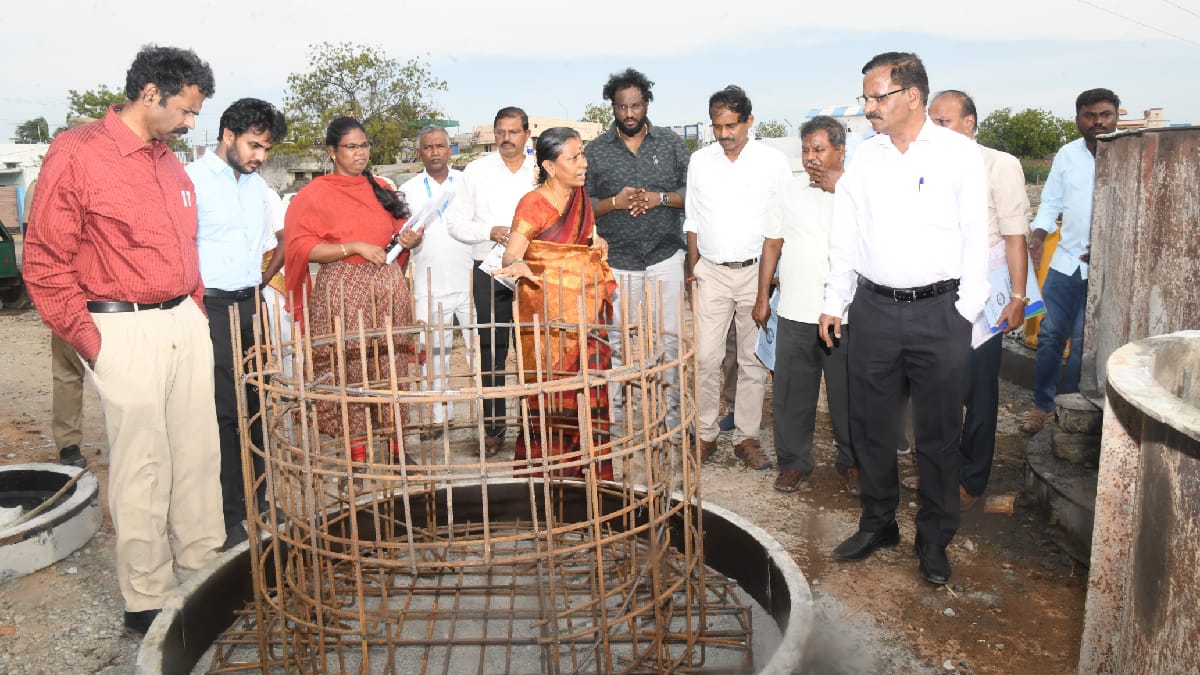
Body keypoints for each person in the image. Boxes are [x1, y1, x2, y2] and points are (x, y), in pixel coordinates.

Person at [22, 45, 224, 634]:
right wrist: (94, 341)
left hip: (182, 321)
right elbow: (44, 260)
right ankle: (147, 596)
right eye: (187, 111)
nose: (192, 124)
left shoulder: (168, 161)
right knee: (142, 464)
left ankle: (203, 567)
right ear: (152, 94)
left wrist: (194, 311)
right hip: (120, 325)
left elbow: (184, 245)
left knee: (197, 455)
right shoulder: (78, 152)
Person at [819, 52, 987, 586]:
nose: (867, 107)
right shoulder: (865, 160)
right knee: (872, 427)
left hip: (941, 312)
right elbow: (845, 236)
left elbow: (975, 240)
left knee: (938, 435)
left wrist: (965, 312)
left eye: (877, 97)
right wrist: (834, 300)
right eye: (865, 98)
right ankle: (878, 522)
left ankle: (934, 538)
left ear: (911, 95)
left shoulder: (959, 155)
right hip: (872, 311)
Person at [284, 117, 422, 464]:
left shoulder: (381, 187)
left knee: (392, 367)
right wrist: (353, 246)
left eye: (364, 146)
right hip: (343, 291)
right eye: (351, 147)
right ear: (332, 152)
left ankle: (396, 450)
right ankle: (358, 454)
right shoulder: (313, 194)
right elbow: (301, 247)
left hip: (388, 290)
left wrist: (408, 239)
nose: (360, 153)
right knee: (350, 371)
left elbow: (397, 235)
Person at [187, 97, 288, 549]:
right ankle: (227, 514)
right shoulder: (190, 182)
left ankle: (262, 497)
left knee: (257, 401)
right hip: (208, 307)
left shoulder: (257, 190)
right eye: (253, 145)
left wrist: (259, 294)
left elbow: (266, 249)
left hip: (251, 304)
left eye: (265, 149)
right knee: (222, 411)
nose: (260, 157)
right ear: (227, 135)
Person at [495, 127, 616, 480]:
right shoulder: (533, 203)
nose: (584, 164)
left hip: (587, 313)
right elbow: (511, 255)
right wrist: (517, 265)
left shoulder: (581, 200)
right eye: (574, 157)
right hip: (549, 323)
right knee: (552, 397)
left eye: (583, 155)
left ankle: (592, 478)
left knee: (592, 395)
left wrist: (599, 245)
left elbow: (586, 241)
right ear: (549, 165)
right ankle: (549, 480)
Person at [928, 90, 1030, 508]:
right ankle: (941, 472)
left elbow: (1014, 236)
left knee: (979, 390)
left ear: (969, 123)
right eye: (931, 121)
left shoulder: (999, 165)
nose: (933, 129)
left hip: (986, 292)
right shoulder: (928, 166)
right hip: (938, 292)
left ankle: (972, 479)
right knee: (939, 390)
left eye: (943, 121)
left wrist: (1019, 296)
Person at [684, 85, 790, 470]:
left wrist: (769, 284)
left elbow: (780, 225)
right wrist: (692, 271)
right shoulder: (700, 161)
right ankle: (706, 433)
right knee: (707, 358)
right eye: (717, 126)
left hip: (755, 273)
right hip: (710, 271)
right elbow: (692, 219)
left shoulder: (773, 163)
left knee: (752, 360)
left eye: (731, 125)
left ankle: (746, 437)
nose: (724, 134)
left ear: (749, 121)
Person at [752, 115, 857, 495]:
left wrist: (843, 188)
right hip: (796, 310)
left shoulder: (858, 190)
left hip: (846, 313)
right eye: (806, 149)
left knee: (849, 395)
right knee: (792, 394)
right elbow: (772, 245)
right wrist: (763, 297)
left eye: (819, 149)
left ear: (840, 150)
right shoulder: (789, 190)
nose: (810, 157)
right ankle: (793, 463)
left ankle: (852, 463)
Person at [582, 68, 689, 431]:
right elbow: (584, 205)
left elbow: (692, 194)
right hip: (619, 262)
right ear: (612, 107)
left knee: (668, 340)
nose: (629, 114)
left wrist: (659, 199)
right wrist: (616, 201)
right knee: (615, 344)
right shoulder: (595, 152)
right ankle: (615, 424)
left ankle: (670, 418)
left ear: (647, 104)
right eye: (621, 107)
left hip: (664, 256)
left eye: (636, 106)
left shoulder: (671, 144)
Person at [1021, 88, 1120, 434]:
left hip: (1106, 268)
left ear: (1117, 115)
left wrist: (1109, 247)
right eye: (1090, 116)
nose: (1098, 122)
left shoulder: (1128, 154)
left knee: (1082, 344)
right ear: (1079, 119)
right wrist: (1036, 237)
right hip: (1066, 263)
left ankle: (1069, 408)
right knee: (1049, 336)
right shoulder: (1067, 154)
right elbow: (1050, 201)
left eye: (1105, 114)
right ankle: (1043, 405)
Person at [445, 107, 536, 456]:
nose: (507, 138)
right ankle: (495, 428)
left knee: (532, 351)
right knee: (492, 352)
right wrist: (489, 231)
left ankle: (533, 428)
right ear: (493, 135)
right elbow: (455, 223)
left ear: (526, 134)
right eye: (500, 131)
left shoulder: (540, 170)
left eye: (514, 131)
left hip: (531, 271)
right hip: (490, 271)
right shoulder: (477, 171)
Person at [400, 124, 473, 437]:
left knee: (481, 352)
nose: (434, 152)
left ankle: (492, 417)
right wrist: (408, 240)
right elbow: (403, 236)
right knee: (433, 355)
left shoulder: (467, 182)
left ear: (450, 149)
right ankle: (439, 416)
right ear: (420, 153)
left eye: (440, 146)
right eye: (428, 147)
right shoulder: (409, 190)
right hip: (429, 284)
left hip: (471, 278)